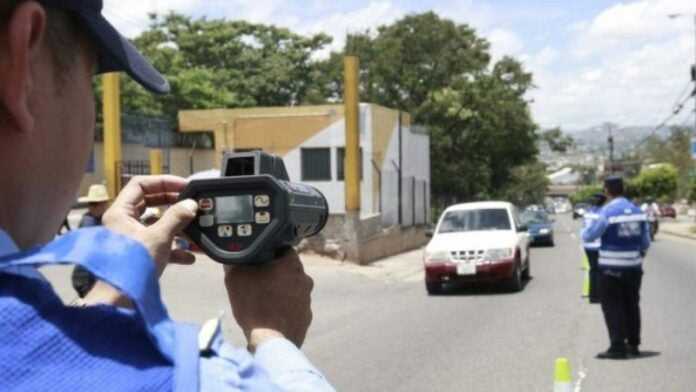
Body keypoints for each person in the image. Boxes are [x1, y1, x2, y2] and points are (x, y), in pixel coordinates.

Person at [0, 1, 334, 390]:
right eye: (90, 77)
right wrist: (272, 336)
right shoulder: (182, 381)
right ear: (21, 67)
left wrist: (116, 286)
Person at [582, 176, 650, 360]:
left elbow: (589, 236)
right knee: (632, 305)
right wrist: (637, 254)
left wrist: (585, 229)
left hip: (610, 268)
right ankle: (634, 344)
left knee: (613, 307)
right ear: (624, 189)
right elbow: (645, 242)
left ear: (607, 191)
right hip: (633, 267)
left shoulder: (607, 212)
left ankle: (617, 347)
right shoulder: (638, 211)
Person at [71, 184, 111, 297]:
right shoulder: (89, 224)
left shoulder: (97, 219)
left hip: (92, 277)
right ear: (102, 204)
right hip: (86, 278)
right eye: (105, 203)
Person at [581, 193, 606, 304]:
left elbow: (584, 228)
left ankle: (593, 296)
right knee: (601, 271)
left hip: (588, 246)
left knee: (593, 270)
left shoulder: (588, 213)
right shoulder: (603, 213)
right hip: (599, 245)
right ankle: (600, 295)